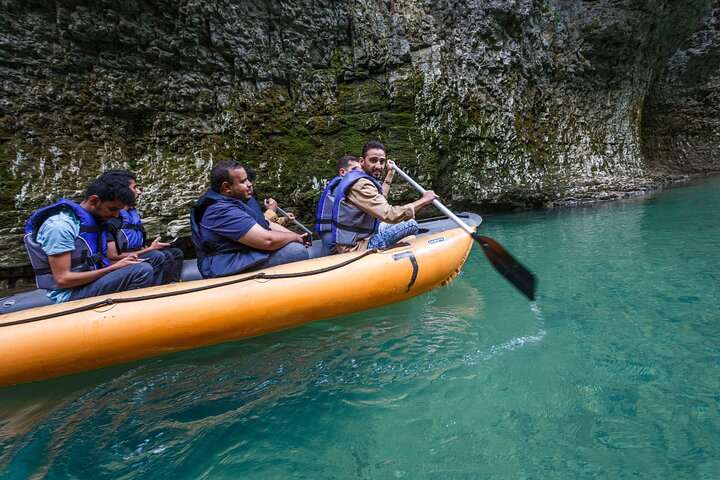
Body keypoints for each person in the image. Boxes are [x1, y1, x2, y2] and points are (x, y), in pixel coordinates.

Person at [24, 175, 154, 303]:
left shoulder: (97, 220)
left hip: (90, 283)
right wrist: (114, 268)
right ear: (94, 200)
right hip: (69, 294)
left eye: (118, 211)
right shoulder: (60, 226)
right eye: (112, 209)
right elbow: (63, 280)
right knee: (141, 271)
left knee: (151, 261)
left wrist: (123, 263)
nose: (115, 215)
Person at [190, 160, 310, 278]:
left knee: (295, 245)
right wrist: (295, 238)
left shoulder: (236, 202)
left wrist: (297, 236)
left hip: (239, 255)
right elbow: (268, 241)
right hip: (223, 264)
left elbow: (266, 223)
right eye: (243, 181)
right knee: (295, 251)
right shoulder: (220, 211)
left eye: (247, 179)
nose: (249, 184)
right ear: (227, 187)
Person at [331, 140, 438, 253]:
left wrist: (390, 173)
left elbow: (379, 199)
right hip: (356, 246)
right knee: (411, 225)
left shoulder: (357, 177)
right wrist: (424, 200)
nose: (378, 166)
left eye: (381, 162)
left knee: (405, 220)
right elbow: (389, 215)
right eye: (373, 160)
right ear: (362, 161)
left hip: (359, 236)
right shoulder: (360, 185)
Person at [101, 170, 184, 284]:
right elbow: (111, 256)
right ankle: (156, 291)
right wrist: (150, 249)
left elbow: (138, 246)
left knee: (175, 253)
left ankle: (172, 285)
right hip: (116, 264)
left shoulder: (131, 215)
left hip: (132, 255)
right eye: (135, 188)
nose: (139, 192)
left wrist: (151, 247)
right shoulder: (111, 219)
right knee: (158, 256)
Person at [315, 155, 362, 254]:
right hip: (334, 243)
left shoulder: (338, 185)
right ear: (342, 172)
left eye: (360, 170)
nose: (358, 173)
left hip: (333, 237)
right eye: (354, 169)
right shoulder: (343, 188)